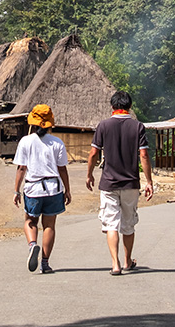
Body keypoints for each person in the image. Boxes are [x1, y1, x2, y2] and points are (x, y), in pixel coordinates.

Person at [85, 91, 154, 276]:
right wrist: (149, 181)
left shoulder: (103, 126)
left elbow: (93, 154)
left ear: (112, 106)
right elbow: (144, 155)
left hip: (109, 183)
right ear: (129, 107)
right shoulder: (137, 126)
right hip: (131, 183)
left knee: (111, 224)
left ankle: (115, 264)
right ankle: (127, 261)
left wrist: (89, 174)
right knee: (128, 225)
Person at [13, 104, 71, 274]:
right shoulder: (57, 143)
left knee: (30, 221)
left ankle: (32, 245)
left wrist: (16, 191)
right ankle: (45, 263)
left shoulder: (26, 141)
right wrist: (67, 190)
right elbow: (62, 169)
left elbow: (21, 169)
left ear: (33, 122)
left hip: (33, 189)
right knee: (49, 226)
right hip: (53, 188)